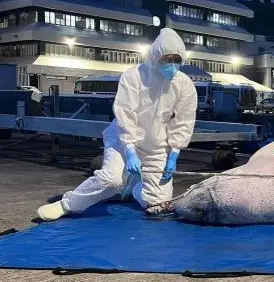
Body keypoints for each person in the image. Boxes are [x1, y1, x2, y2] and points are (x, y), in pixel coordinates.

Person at [37, 28, 198, 221]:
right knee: (111, 180)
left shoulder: (184, 84)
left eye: (176, 60)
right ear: (155, 57)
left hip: (156, 145)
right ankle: (67, 204)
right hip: (123, 138)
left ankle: (135, 188)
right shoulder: (134, 76)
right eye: (167, 59)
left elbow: (183, 121)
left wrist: (174, 154)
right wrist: (129, 151)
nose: (172, 65)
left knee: (158, 202)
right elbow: (125, 114)